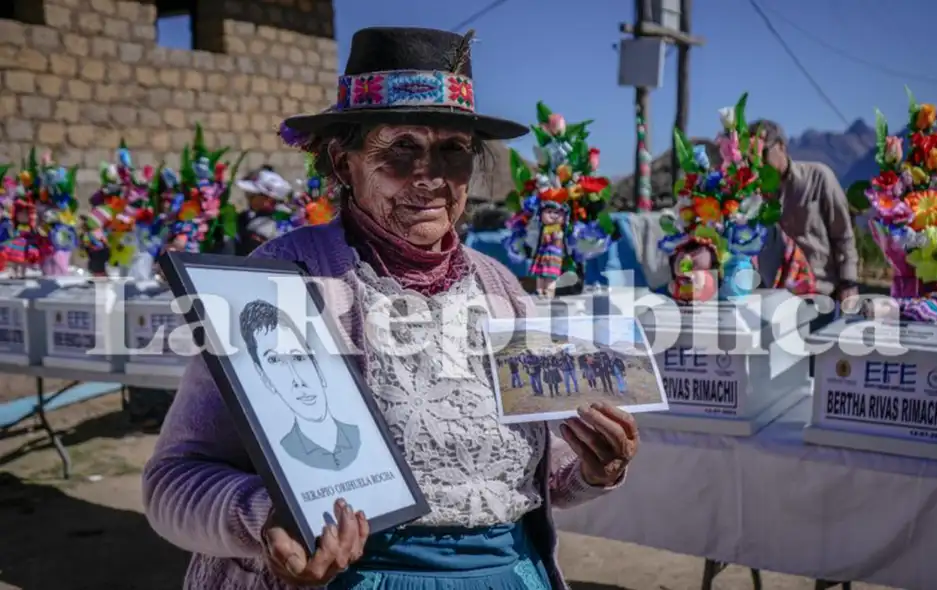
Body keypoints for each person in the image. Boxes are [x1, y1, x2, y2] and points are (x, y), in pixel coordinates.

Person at [142, 27, 639, 590]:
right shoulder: (280, 281)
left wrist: (595, 470)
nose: (430, 178)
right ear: (343, 161)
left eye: (453, 150)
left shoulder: (499, 287)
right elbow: (171, 481)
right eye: (401, 148)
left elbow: (526, 481)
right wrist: (266, 519)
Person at [239, 299, 360, 471]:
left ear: (316, 365)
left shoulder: (361, 438)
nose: (297, 380)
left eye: (298, 357)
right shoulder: (285, 454)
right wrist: (275, 497)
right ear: (264, 377)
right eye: (274, 360)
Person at [748, 119, 859, 302]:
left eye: (764, 152)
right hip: (773, 296)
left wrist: (849, 282)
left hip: (819, 292)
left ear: (781, 146)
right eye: (753, 155)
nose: (759, 162)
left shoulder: (818, 178)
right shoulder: (753, 192)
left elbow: (843, 235)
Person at [235, 166, 294, 256]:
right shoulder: (244, 217)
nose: (247, 196)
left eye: (253, 194)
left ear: (268, 200)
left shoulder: (280, 223)